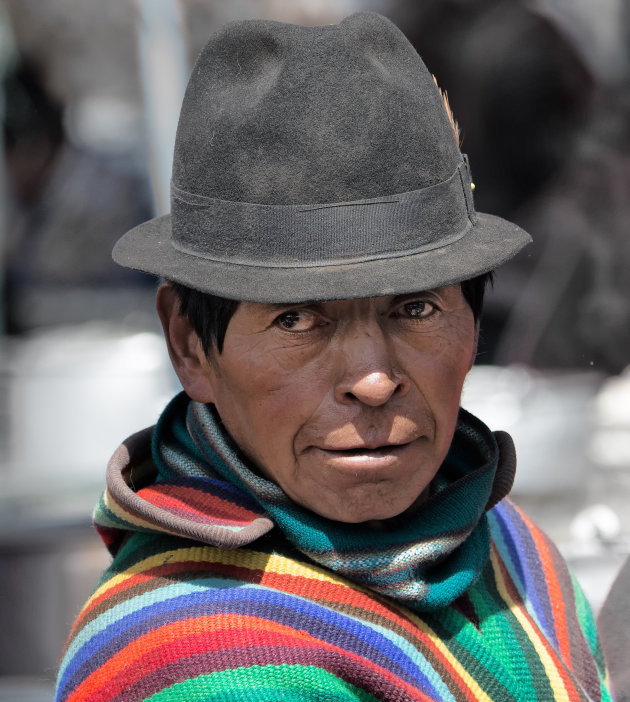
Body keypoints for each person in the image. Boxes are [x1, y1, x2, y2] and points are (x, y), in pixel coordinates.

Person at [55, 13, 613, 702]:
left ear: (475, 327)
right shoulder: (206, 666)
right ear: (190, 345)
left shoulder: (511, 555)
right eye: (297, 320)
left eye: (417, 309)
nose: (376, 380)